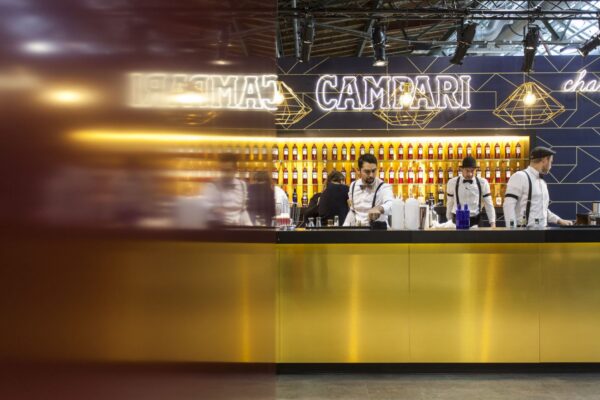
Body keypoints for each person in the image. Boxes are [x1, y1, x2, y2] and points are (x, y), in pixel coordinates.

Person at [503, 146, 573, 228]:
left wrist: (559, 220)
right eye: (551, 162)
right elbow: (508, 205)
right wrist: (512, 229)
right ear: (544, 160)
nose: (551, 166)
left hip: (542, 231)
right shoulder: (520, 176)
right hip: (524, 231)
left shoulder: (542, 182)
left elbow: (542, 209)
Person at [201, 153, 252, 226]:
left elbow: (243, 211)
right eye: (222, 171)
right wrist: (215, 211)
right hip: (218, 229)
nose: (224, 174)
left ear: (235, 170)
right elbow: (204, 209)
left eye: (228, 170)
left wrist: (249, 226)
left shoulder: (242, 185)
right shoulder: (211, 186)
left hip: (238, 229)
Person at [343, 154, 393, 226]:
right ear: (358, 171)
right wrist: (345, 227)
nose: (371, 175)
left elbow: (391, 204)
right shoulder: (353, 185)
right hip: (358, 229)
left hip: (378, 230)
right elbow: (353, 210)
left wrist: (379, 208)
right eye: (367, 171)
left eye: (373, 171)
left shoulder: (383, 187)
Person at [446, 156, 496, 228]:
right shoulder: (452, 183)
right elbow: (450, 203)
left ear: (475, 170)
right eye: (467, 171)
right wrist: (449, 221)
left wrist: (492, 223)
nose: (470, 174)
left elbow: (489, 204)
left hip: (476, 219)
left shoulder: (483, 183)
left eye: (472, 171)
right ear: (461, 169)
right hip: (458, 218)